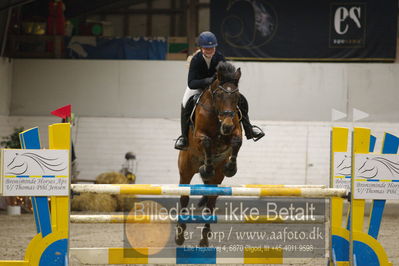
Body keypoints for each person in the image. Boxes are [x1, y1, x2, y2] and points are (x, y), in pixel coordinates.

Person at [175, 31, 265, 150]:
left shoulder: (219, 57)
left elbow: (228, 76)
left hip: (216, 89)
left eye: (212, 48)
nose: (210, 50)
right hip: (198, 87)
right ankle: (184, 137)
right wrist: (208, 81)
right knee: (186, 102)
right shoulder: (196, 60)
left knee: (240, 99)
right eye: (207, 48)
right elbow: (191, 83)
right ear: (201, 48)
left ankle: (249, 129)